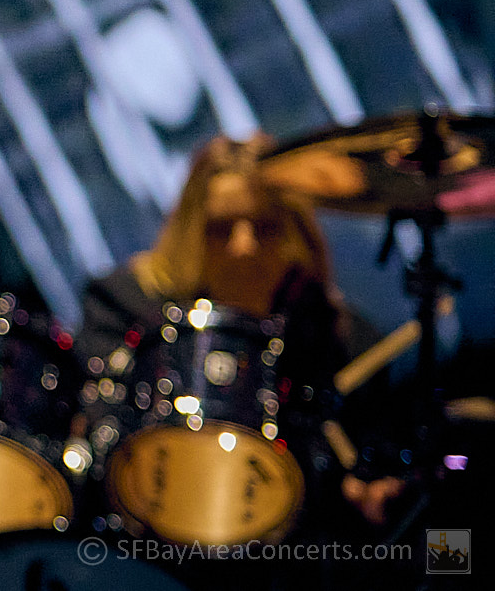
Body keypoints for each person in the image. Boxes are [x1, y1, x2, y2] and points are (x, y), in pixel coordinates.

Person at [77, 134, 403, 533]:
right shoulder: (125, 309)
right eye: (220, 228)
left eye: (264, 228)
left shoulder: (341, 339)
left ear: (296, 235)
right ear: (190, 235)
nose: (243, 247)